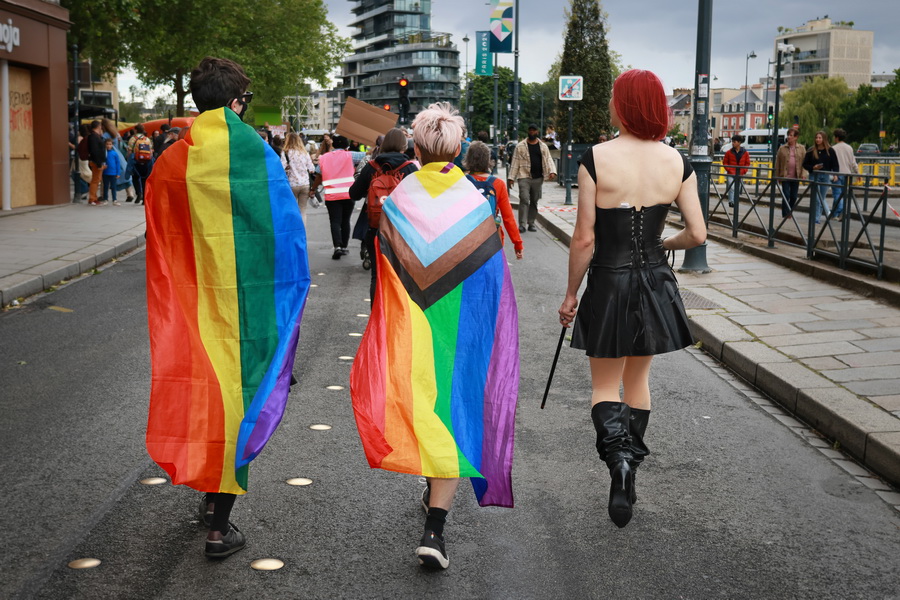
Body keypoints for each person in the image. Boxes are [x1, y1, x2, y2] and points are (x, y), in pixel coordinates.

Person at [143, 56, 310, 559]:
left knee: (205, 396)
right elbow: (286, 239)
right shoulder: (256, 154)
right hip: (250, 308)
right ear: (236, 102)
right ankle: (220, 525)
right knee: (241, 401)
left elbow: (160, 238)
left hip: (193, 307)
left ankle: (210, 495)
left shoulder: (172, 160)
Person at [350, 102, 519, 570]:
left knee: (421, 403)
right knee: (453, 408)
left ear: (419, 148)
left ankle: (431, 503)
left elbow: (386, 266)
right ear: (459, 148)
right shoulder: (472, 200)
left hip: (411, 327)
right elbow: (490, 279)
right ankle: (435, 530)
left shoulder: (402, 197)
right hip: (460, 330)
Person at [557, 69, 706, 529]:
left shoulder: (596, 158)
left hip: (608, 279)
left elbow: (584, 239)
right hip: (655, 283)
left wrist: (570, 295)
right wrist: (664, 246)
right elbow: (698, 233)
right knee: (638, 382)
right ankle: (629, 468)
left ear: (622, 105)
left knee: (605, 386)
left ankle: (618, 460)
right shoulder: (677, 163)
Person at [348, 127, 417, 299]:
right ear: (404, 146)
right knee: (400, 277)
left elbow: (353, 194)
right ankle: (397, 320)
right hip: (402, 232)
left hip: (375, 229)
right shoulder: (410, 169)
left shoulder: (372, 167)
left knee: (376, 276)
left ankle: (378, 321)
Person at [464, 140, 523, 260]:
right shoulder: (498, 184)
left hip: (467, 239)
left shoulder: (461, 182)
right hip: (492, 239)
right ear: (488, 160)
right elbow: (508, 218)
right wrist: (517, 243)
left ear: (468, 159)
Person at [310, 134, 366, 259]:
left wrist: (313, 189)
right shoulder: (351, 155)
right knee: (345, 220)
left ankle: (337, 247)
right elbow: (368, 154)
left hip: (332, 195)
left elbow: (318, 175)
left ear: (333, 144)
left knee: (335, 221)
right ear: (346, 145)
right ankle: (345, 246)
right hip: (349, 193)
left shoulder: (324, 158)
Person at [507, 124, 558, 232]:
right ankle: (522, 224)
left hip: (538, 178)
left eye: (534, 130)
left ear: (537, 132)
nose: (532, 132)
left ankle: (531, 223)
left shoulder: (543, 146)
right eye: (530, 130)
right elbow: (515, 162)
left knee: (534, 200)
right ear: (528, 131)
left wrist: (552, 171)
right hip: (523, 176)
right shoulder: (520, 146)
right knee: (524, 198)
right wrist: (511, 177)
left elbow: (548, 159)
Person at [802, 131, 838, 224]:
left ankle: (817, 218)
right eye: (816, 137)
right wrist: (813, 167)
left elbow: (835, 164)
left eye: (820, 138)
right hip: (814, 175)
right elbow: (805, 164)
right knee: (816, 199)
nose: (818, 139)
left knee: (821, 198)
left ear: (824, 139)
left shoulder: (830, 150)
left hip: (825, 176)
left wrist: (835, 174)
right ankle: (816, 219)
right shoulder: (811, 150)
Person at [281, 132, 316, 223]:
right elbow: (311, 169)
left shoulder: (285, 153)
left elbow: (281, 168)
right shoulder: (304, 153)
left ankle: (293, 231)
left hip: (292, 184)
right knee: (303, 210)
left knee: (291, 210)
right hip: (305, 184)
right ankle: (302, 232)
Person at [774, 129, 807, 217]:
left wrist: (804, 174)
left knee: (794, 196)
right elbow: (778, 163)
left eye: (791, 135)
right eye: (788, 135)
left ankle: (790, 210)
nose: (789, 137)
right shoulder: (782, 148)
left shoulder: (801, 148)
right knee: (786, 195)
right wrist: (776, 176)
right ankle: (785, 214)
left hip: (796, 176)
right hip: (785, 176)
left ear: (796, 137)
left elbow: (805, 162)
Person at [830, 128, 858, 221]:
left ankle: (842, 211)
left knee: (837, 194)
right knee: (841, 195)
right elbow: (853, 162)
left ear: (837, 137)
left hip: (836, 174)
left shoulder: (833, 148)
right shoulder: (849, 147)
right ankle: (834, 214)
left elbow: (831, 163)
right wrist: (857, 172)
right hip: (847, 174)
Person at [127, 124, 153, 205]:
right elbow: (151, 150)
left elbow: (129, 151)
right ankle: (145, 198)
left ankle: (138, 193)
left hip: (136, 160)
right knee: (144, 179)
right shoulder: (147, 139)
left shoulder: (132, 139)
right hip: (146, 161)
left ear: (135, 130)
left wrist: (128, 159)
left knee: (135, 177)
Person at [722, 134, 750, 208]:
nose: (733, 143)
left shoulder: (745, 153)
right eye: (732, 141)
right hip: (731, 173)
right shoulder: (729, 152)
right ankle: (731, 202)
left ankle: (735, 201)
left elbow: (747, 163)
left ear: (739, 142)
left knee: (738, 188)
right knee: (731, 187)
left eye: (734, 142)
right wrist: (729, 169)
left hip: (740, 173)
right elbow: (725, 162)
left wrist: (744, 171)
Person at [86, 120, 107, 205]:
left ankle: (94, 197)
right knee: (95, 180)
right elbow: (95, 151)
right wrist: (99, 163)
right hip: (96, 161)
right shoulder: (93, 137)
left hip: (98, 161)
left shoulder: (95, 136)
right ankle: (92, 198)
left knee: (96, 179)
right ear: (98, 126)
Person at [102, 138, 123, 205]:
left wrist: (118, 173)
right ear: (105, 145)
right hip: (105, 172)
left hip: (113, 173)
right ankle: (105, 199)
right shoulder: (104, 153)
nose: (108, 146)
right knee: (105, 186)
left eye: (110, 144)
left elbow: (118, 163)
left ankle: (114, 199)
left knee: (113, 187)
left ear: (112, 145)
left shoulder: (114, 153)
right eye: (107, 144)